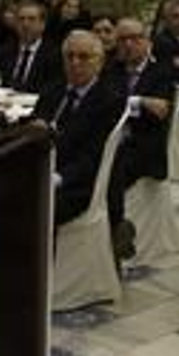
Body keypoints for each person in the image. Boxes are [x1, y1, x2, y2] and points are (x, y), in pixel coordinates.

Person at [103, 17, 178, 261]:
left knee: (110, 170)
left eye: (135, 39)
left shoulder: (162, 71)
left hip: (144, 147)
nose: (128, 45)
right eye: (122, 39)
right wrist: (141, 101)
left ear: (147, 42)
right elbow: (103, 102)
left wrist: (125, 103)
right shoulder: (111, 68)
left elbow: (159, 114)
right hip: (111, 140)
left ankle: (115, 229)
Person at [35, 30, 126, 228]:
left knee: (34, 206)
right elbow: (39, 121)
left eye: (84, 57)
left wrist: (58, 178)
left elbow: (93, 157)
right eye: (70, 56)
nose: (75, 63)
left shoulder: (110, 100)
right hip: (46, 167)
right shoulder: (53, 90)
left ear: (100, 62)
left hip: (82, 182)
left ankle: (40, 257)